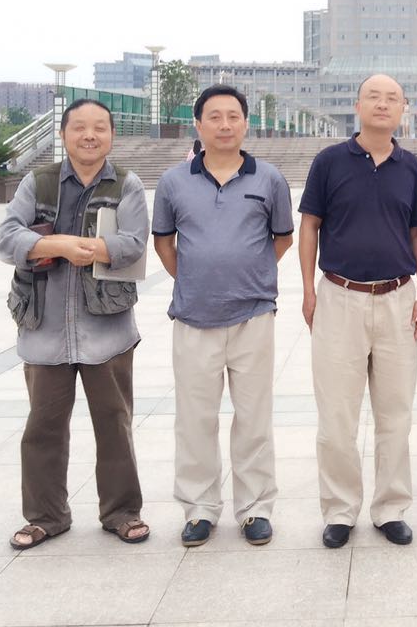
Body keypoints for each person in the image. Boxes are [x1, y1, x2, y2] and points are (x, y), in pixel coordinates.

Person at [0, 98, 150, 550]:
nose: (89, 135)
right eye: (79, 127)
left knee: (114, 424)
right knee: (42, 428)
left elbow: (134, 242)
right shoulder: (38, 182)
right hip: (44, 331)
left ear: (111, 136)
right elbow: (7, 237)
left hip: (108, 332)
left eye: (99, 127)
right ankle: (46, 516)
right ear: (63, 134)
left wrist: (94, 249)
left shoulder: (127, 184)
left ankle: (122, 512)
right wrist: (60, 245)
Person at [152, 84, 294, 548]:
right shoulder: (173, 182)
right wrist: (195, 278)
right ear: (198, 125)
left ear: (246, 123)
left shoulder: (269, 179)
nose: (225, 125)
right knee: (195, 419)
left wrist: (249, 276)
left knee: (254, 417)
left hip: (253, 316)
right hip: (194, 319)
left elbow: (282, 238)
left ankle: (255, 509)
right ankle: (200, 508)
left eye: (233, 116)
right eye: (214, 116)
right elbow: (163, 242)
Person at [298, 74, 417, 549]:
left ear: (403, 109)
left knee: (396, 413)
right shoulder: (329, 162)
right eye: (373, 96)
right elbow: (309, 226)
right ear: (357, 106)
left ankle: (390, 508)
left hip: (397, 298)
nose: (382, 104)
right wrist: (308, 289)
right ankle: (339, 510)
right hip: (339, 296)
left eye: (392, 98)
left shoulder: (410, 167)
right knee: (337, 416)